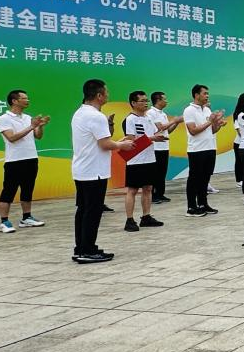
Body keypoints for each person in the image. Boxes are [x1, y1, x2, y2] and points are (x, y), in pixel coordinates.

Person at [70, 79, 134, 263]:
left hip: (83, 169)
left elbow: (100, 139)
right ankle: (87, 250)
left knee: (83, 210)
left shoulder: (80, 113)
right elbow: (105, 144)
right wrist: (123, 144)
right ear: (99, 95)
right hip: (94, 170)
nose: (108, 95)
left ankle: (82, 246)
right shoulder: (95, 116)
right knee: (92, 211)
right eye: (106, 92)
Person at [0, 89, 48, 232]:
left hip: (31, 158)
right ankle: (4, 222)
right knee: (9, 190)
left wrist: (39, 126)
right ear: (14, 101)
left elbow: (38, 136)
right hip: (14, 160)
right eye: (24, 98)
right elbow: (11, 138)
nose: (27, 101)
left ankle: (26, 218)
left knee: (28, 189)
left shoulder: (27, 117)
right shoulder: (4, 118)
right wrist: (32, 126)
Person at [121, 91, 165, 232]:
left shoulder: (148, 118)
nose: (146, 103)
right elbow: (130, 139)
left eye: (146, 100)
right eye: (142, 101)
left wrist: (158, 137)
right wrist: (152, 139)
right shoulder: (130, 119)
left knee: (148, 188)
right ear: (133, 103)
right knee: (133, 190)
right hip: (135, 160)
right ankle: (129, 220)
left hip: (149, 158)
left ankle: (146, 217)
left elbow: (152, 134)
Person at [182, 85, 226, 216]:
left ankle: (203, 203)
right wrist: (210, 122)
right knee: (194, 178)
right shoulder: (189, 110)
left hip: (210, 147)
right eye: (205, 93)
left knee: (205, 178)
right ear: (196, 95)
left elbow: (211, 130)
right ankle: (191, 207)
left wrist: (218, 124)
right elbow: (193, 131)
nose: (207, 96)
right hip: (196, 150)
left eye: (208, 93)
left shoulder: (207, 110)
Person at [147, 91, 180, 204]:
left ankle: (160, 193)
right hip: (156, 147)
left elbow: (168, 130)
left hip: (164, 146)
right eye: (164, 99)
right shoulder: (151, 113)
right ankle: (153, 195)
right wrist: (174, 120)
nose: (166, 101)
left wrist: (176, 123)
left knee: (162, 172)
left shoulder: (163, 114)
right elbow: (159, 128)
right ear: (158, 100)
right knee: (155, 172)